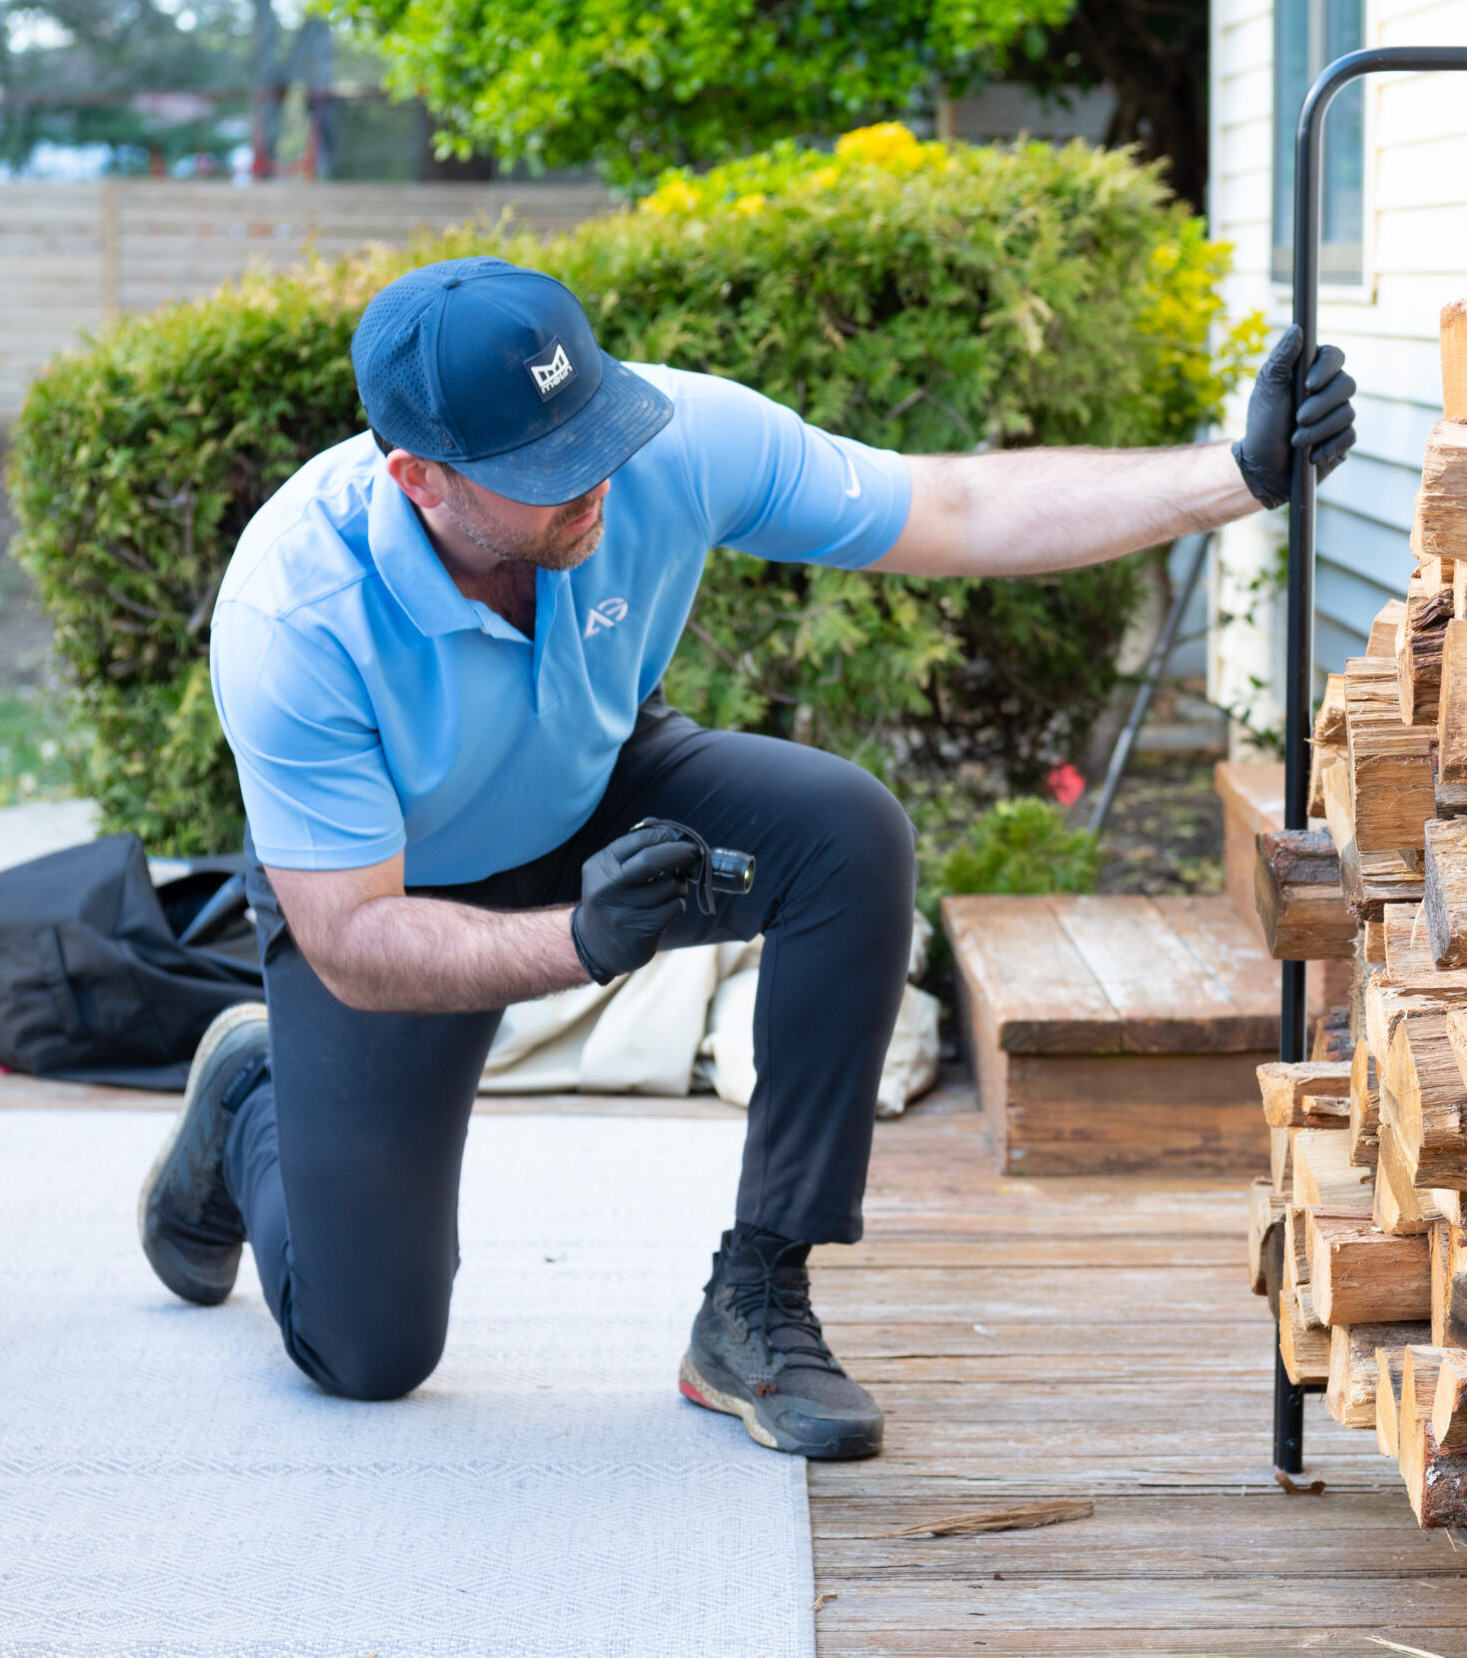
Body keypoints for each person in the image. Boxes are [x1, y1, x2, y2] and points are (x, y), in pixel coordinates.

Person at [136, 255, 1355, 1460]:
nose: (596, 483)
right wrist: (577, 941)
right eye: (550, 473)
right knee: (369, 1353)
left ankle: (755, 1296)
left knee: (845, 833)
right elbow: (352, 937)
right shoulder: (294, 611)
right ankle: (252, 1102)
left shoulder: (663, 442)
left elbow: (955, 508)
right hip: (406, 890)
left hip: (597, 791)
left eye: (594, 434)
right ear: (419, 478)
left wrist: (1236, 475)